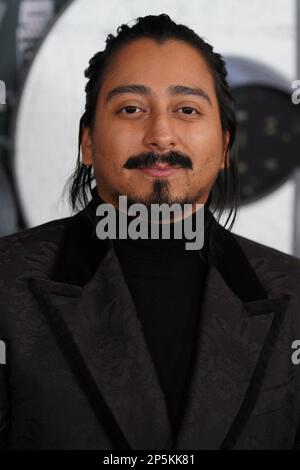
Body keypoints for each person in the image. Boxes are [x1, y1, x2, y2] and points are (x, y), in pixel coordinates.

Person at [1, 13, 300, 450]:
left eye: (187, 109)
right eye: (131, 109)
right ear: (87, 142)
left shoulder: (294, 294)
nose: (161, 135)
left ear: (224, 147)